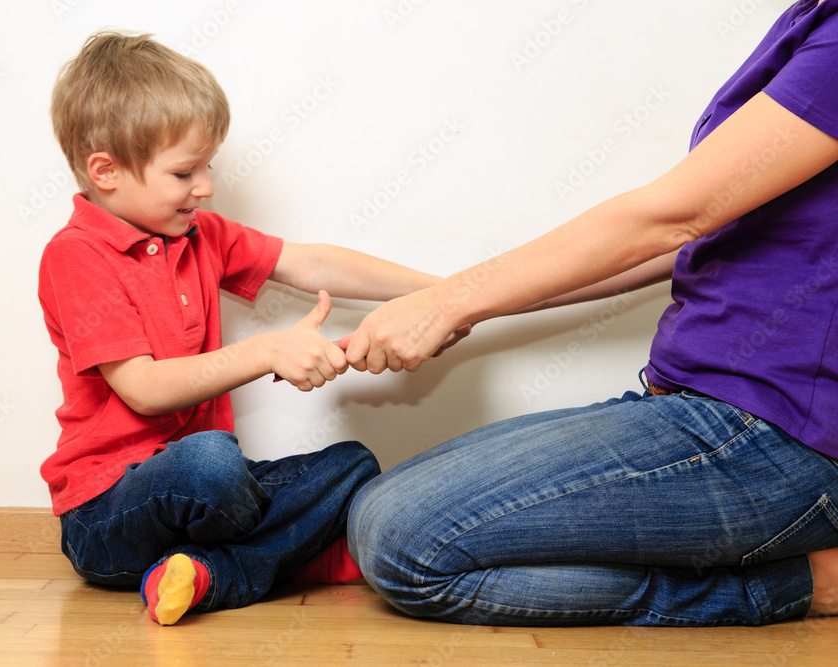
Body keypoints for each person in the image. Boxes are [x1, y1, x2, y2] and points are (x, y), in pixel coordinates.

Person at [344, 0, 838, 626]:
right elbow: (690, 237)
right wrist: (459, 303)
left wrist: (453, 300)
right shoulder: (811, 17)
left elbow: (673, 217)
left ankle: (801, 584)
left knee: (406, 546)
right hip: (693, 403)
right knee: (373, 511)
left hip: (776, 434)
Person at [38, 30, 443, 626]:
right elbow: (143, 389)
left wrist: (441, 293)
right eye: (185, 172)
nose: (205, 187)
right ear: (106, 171)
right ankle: (286, 554)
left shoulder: (200, 235)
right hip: (107, 512)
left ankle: (203, 573)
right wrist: (266, 351)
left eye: (207, 167)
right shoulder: (76, 256)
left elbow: (311, 264)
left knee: (354, 466)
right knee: (210, 462)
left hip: (208, 498)